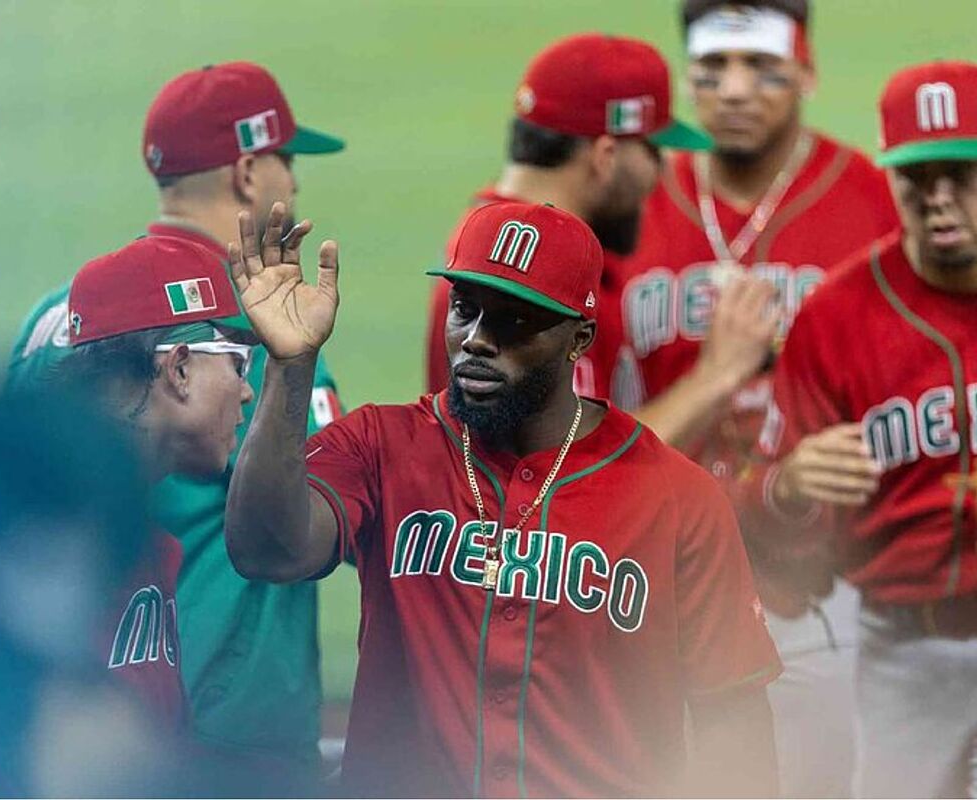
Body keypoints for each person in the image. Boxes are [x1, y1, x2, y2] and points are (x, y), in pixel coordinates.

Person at [227, 200, 780, 796]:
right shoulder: (380, 445)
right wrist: (288, 366)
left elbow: (734, 721)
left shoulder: (678, 499)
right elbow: (268, 551)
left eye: (514, 321)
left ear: (579, 339)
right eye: (466, 309)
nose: (477, 341)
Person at [590, 2, 899, 794]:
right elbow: (584, 432)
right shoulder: (633, 203)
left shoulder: (866, 201)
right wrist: (719, 373)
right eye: (711, 70)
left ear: (807, 71)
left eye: (760, 68)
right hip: (647, 588)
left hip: (815, 595)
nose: (732, 91)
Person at [7, 61, 344, 784]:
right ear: (249, 172)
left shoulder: (61, 317)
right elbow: (321, 521)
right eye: (287, 160)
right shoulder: (263, 326)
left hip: (90, 730)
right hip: (233, 744)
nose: (296, 181)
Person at [0, 235, 259, 794]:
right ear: (179, 369)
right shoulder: (9, 539)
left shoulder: (146, 549)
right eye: (239, 362)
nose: (248, 392)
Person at [760, 60, 977, 797]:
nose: (939, 199)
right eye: (916, 177)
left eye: (963, 173)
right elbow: (788, 549)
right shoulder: (833, 319)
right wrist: (789, 487)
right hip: (897, 655)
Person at [423, 32, 711, 394]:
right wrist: (717, 376)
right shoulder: (532, 270)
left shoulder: (493, 236)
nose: (665, 168)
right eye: (653, 150)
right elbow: (573, 449)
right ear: (606, 156)